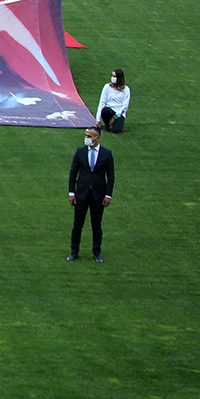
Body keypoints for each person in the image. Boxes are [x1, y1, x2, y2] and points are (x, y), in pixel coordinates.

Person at [68, 126, 115, 262]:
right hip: (81, 194)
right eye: (86, 135)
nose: (86, 138)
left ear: (97, 138)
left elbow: (110, 176)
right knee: (77, 225)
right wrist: (72, 192)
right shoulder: (80, 152)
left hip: (98, 195)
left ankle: (96, 253)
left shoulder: (106, 154)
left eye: (89, 136)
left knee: (96, 226)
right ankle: (74, 251)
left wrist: (108, 195)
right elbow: (73, 173)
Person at [97, 69, 130, 133]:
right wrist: (98, 119)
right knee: (105, 110)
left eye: (115, 76)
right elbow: (102, 102)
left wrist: (115, 117)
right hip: (109, 109)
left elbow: (125, 106)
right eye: (112, 76)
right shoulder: (107, 87)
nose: (113, 78)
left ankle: (115, 122)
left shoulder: (126, 89)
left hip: (119, 112)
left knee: (116, 130)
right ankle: (106, 125)